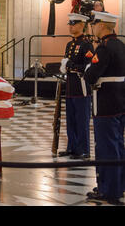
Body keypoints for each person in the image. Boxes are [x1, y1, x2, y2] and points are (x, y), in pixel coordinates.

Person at [84, 11, 125, 205]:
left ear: (102, 26)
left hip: (105, 102)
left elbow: (91, 76)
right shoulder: (120, 45)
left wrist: (87, 71)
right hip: (120, 100)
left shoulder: (104, 48)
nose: (93, 27)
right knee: (117, 145)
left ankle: (108, 190)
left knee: (106, 146)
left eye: (95, 24)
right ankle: (118, 185)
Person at [58, 13, 94, 160]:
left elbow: (88, 66)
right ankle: (72, 147)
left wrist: (70, 65)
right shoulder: (70, 44)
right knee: (71, 119)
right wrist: (66, 67)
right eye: (70, 24)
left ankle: (84, 150)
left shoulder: (87, 45)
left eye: (74, 24)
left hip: (81, 87)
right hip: (71, 86)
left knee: (82, 120)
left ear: (81, 25)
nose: (71, 26)